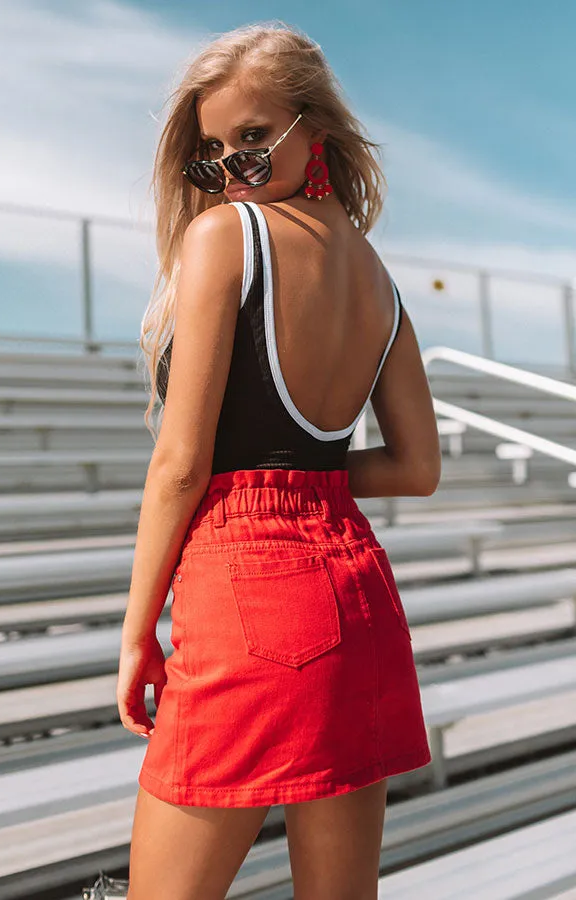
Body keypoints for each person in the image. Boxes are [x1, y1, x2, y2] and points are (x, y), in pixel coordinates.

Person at [118, 20, 441, 900]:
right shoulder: (377, 277)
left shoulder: (227, 238)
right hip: (360, 594)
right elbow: (418, 467)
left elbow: (180, 464)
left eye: (254, 139)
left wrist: (137, 631)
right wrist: (311, 477)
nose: (233, 170)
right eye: (215, 153)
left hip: (249, 585)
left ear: (316, 128)